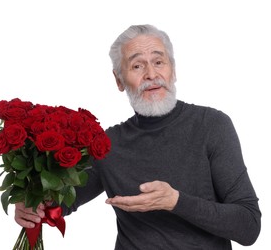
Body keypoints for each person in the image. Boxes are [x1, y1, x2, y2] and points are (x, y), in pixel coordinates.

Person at [15, 24, 261, 249]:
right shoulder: (106, 144)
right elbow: (57, 204)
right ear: (119, 80)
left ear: (173, 71)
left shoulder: (212, 125)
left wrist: (175, 201)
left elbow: (248, 226)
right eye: (137, 66)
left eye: (159, 62)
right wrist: (30, 204)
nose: (151, 74)